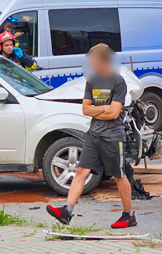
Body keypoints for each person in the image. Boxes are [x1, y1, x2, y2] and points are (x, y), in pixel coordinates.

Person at [46, 44, 137, 228]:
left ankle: (128, 215)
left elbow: (114, 114)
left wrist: (99, 110)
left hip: (112, 137)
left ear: (104, 60)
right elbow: (85, 109)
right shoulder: (92, 80)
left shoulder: (118, 82)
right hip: (93, 134)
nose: (91, 64)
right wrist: (104, 108)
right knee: (81, 171)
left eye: (94, 61)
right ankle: (67, 211)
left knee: (119, 176)